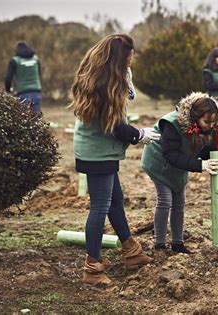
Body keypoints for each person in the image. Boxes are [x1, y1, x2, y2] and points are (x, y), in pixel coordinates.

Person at [70, 34, 158, 287]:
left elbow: (123, 104)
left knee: (115, 200)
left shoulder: (104, 78)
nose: (132, 61)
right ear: (118, 59)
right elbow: (116, 127)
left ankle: (131, 251)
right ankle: (92, 267)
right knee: (100, 206)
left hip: (98, 149)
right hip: (97, 152)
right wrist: (140, 135)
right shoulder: (104, 85)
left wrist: (127, 78)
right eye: (129, 58)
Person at [141, 92, 218, 254]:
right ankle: (159, 244)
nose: (210, 125)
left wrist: (216, 155)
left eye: (213, 122)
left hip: (180, 163)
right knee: (165, 201)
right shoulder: (172, 123)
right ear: (195, 117)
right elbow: (171, 155)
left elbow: (207, 149)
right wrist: (201, 165)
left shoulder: (209, 126)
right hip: (160, 162)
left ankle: (177, 243)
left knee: (179, 203)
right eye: (206, 122)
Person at [5, 41, 42, 113]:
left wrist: (8, 90)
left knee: (25, 119)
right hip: (37, 92)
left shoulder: (15, 60)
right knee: (36, 119)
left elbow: (8, 78)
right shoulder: (35, 58)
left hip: (23, 93)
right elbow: (39, 74)